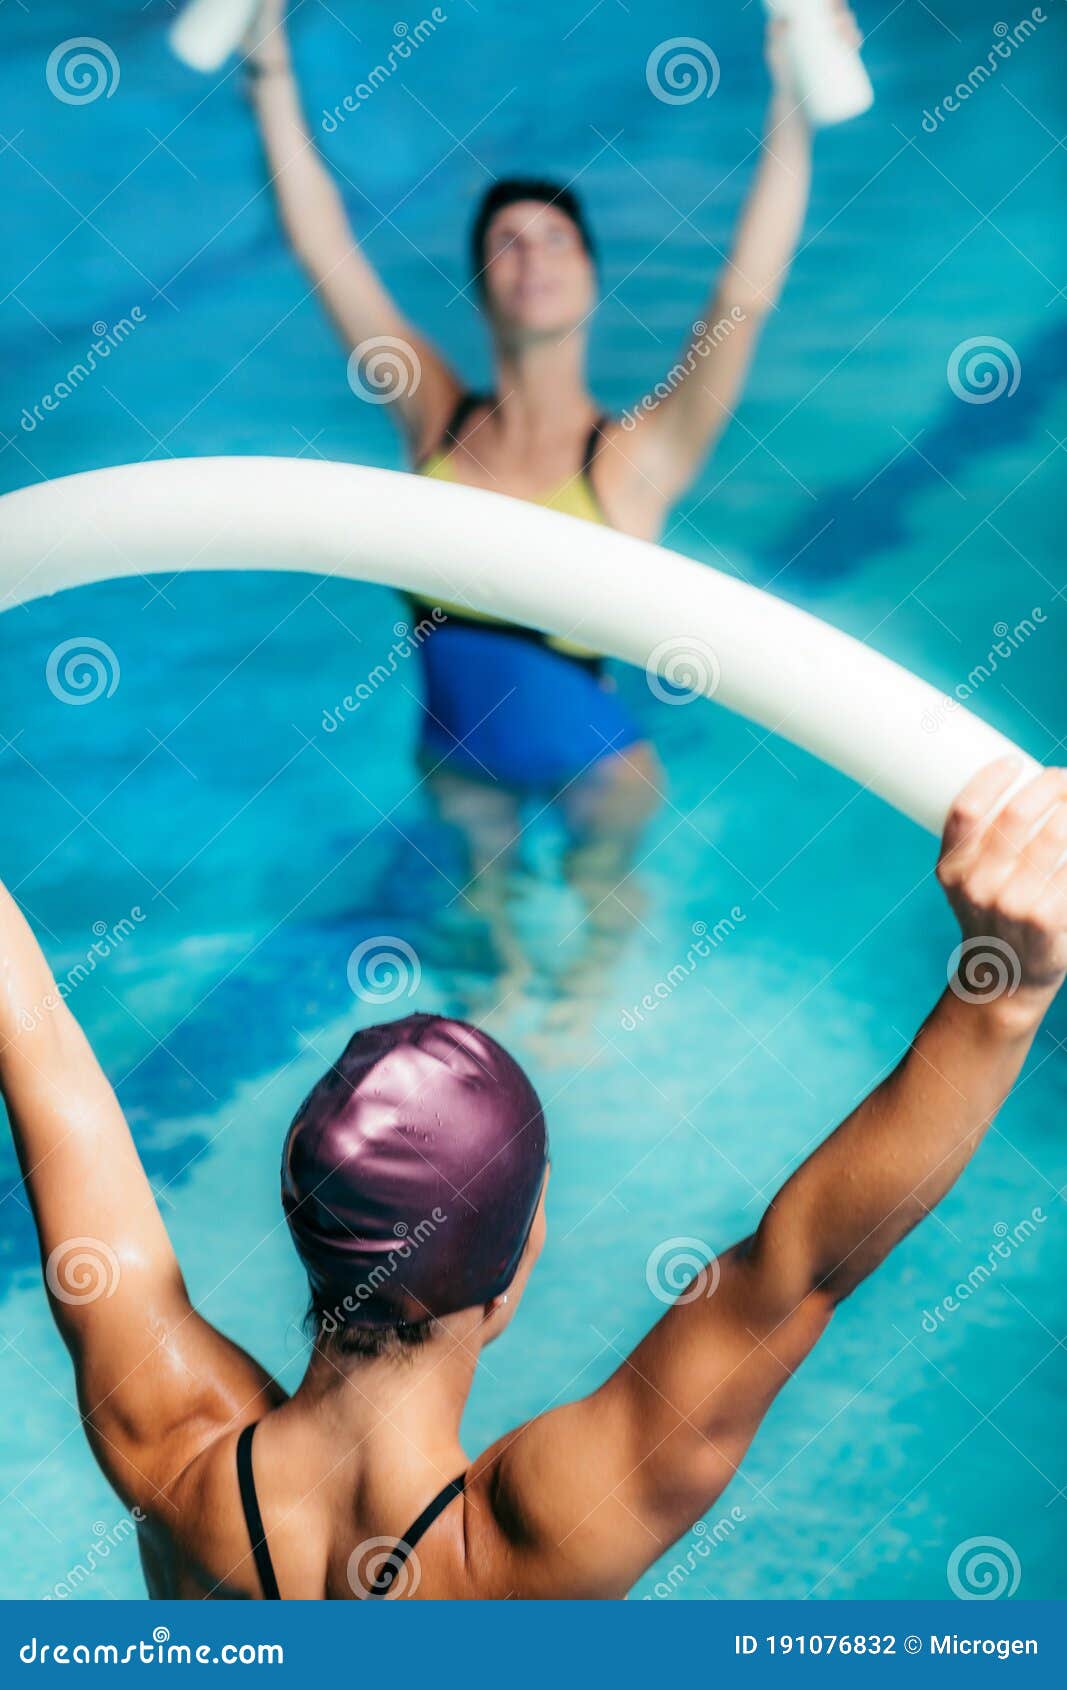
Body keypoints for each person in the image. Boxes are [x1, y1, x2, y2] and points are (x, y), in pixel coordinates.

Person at [4, 756, 1065, 1599]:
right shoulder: (528, 1549)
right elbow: (795, 1269)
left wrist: (998, 996)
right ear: (514, 1265)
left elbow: (45, 1057)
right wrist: (1003, 991)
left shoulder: (171, 1450)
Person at [244, 2, 861, 1014]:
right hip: (453, 761)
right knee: (478, 982)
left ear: (591, 280)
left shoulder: (629, 459)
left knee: (583, 984)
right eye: (505, 245)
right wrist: (265, 62)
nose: (531, 259)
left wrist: (789, 104)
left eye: (554, 241)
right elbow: (325, 249)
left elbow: (741, 300)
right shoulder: (429, 414)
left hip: (598, 773)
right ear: (480, 287)